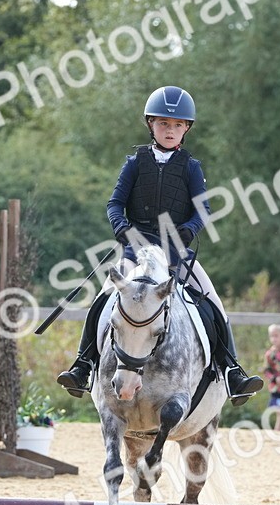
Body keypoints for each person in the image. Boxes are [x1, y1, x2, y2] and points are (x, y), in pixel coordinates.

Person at [57, 85, 263, 405]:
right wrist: (121, 227)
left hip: (175, 251)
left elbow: (202, 209)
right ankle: (83, 365)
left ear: (186, 129)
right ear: (150, 124)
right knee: (103, 299)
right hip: (135, 249)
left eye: (177, 125)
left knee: (213, 302)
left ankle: (232, 371)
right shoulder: (135, 163)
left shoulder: (191, 167)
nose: (170, 130)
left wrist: (189, 229)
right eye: (163, 123)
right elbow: (115, 204)